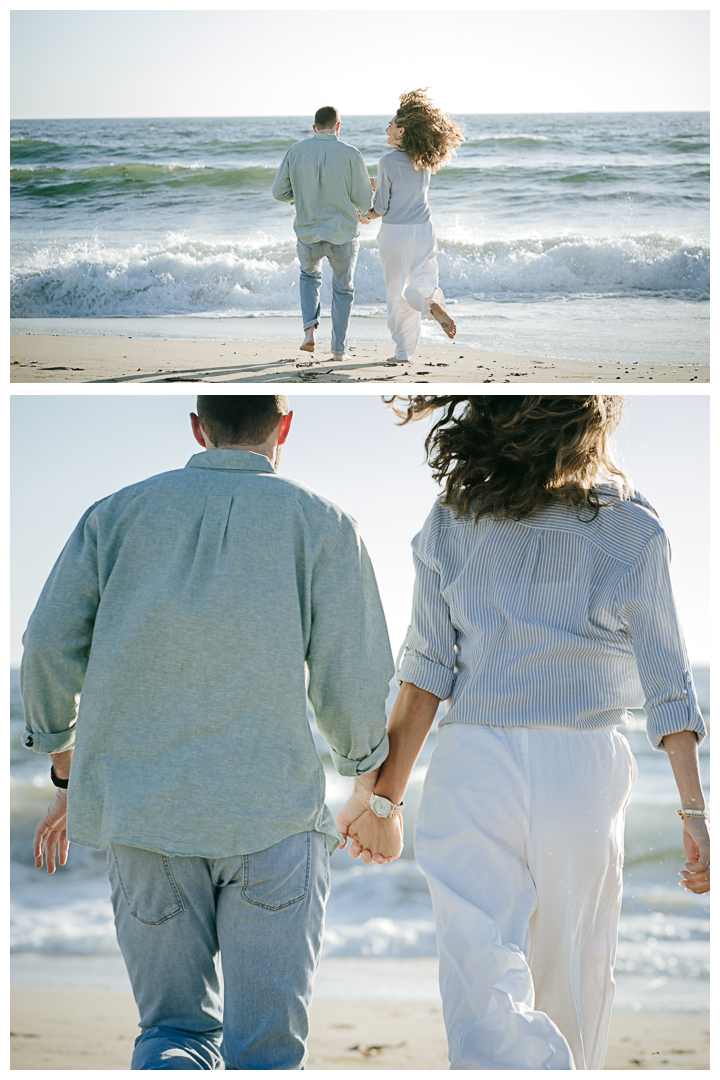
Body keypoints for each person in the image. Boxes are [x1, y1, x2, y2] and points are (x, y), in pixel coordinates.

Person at [23, 395, 395, 1071]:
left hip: (143, 816)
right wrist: (371, 788)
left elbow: (46, 648)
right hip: (273, 820)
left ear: (198, 428)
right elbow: (355, 682)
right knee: (267, 1055)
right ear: (284, 427)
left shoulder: (113, 515)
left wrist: (65, 770)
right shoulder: (326, 524)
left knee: (172, 1034)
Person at [347, 395, 709, 1070]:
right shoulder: (635, 530)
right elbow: (669, 685)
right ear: (589, 430)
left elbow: (424, 672)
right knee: (572, 979)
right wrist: (693, 808)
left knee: (478, 975)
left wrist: (382, 802)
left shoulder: (455, 518)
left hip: (473, 759)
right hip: (582, 768)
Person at [360, 90, 464, 364]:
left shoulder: (386, 162)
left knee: (396, 293)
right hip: (424, 229)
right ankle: (431, 303)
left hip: (396, 233)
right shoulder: (423, 162)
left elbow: (381, 206)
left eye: (391, 125)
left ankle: (403, 353)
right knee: (422, 279)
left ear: (402, 131)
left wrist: (365, 216)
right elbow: (400, 186)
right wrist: (373, 181)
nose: (387, 128)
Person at [272, 106, 373, 363]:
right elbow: (363, 198)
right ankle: (339, 352)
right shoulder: (351, 153)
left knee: (309, 277)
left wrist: (303, 197)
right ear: (338, 126)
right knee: (343, 290)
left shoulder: (296, 151)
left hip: (308, 234)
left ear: (314, 127)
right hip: (343, 235)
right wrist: (363, 212)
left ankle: (309, 333)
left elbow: (279, 192)